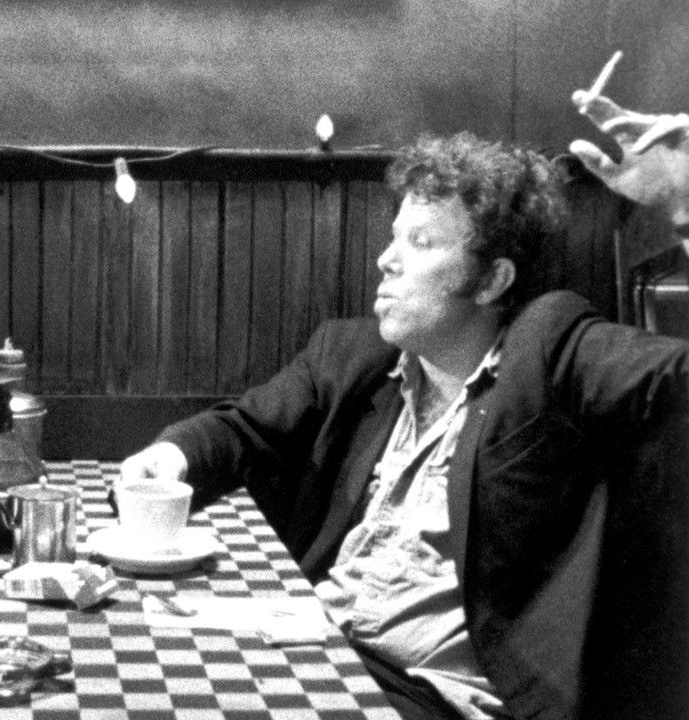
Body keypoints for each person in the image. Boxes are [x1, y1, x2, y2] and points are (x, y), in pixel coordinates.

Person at [120, 120, 689, 717]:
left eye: (420, 242)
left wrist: (682, 207)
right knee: (134, 678)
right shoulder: (352, 355)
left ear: (492, 280)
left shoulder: (551, 352)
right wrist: (170, 456)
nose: (385, 260)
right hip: (318, 650)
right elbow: (244, 428)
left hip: (430, 697)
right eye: (394, 237)